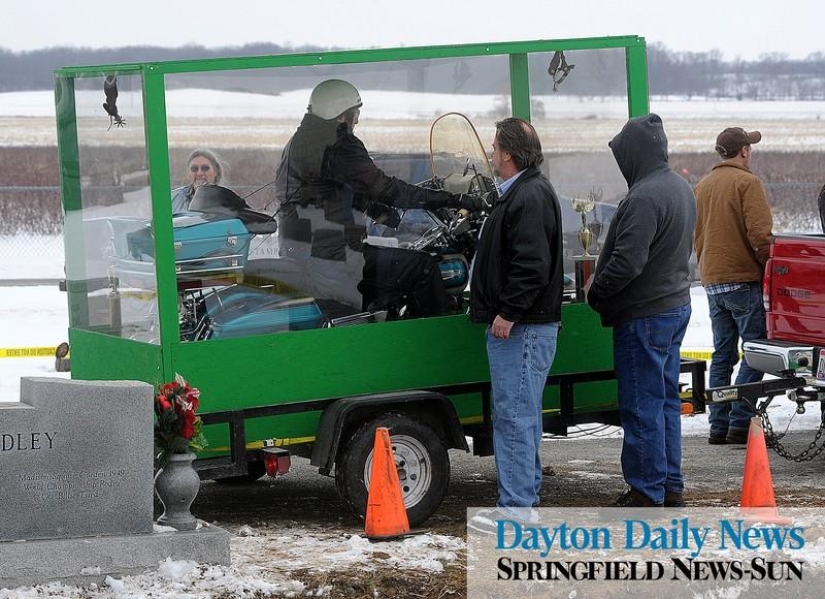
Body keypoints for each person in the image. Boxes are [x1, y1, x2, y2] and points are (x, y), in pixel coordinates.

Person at [272, 79, 479, 311]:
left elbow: (325, 190)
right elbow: (387, 189)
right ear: (340, 115)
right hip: (334, 257)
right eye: (355, 113)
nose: (357, 120)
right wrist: (450, 198)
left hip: (305, 252)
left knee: (398, 273)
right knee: (423, 266)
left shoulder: (299, 142)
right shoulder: (340, 144)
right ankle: (437, 333)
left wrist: (376, 210)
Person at [586, 113, 695, 508]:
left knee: (642, 405)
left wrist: (596, 292)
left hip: (644, 316)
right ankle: (670, 485)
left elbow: (628, 263)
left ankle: (646, 492)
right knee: (665, 402)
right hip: (674, 306)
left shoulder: (644, 197)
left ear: (634, 154)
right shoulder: (680, 187)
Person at [468, 118, 563, 515]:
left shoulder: (528, 196)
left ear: (507, 153)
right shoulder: (524, 191)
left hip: (523, 328)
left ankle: (517, 509)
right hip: (525, 326)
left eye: (495, 148)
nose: (491, 154)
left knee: (514, 418)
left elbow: (532, 265)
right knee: (521, 416)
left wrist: (508, 312)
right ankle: (523, 498)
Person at [694, 127, 773, 445]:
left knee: (723, 354)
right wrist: (770, 267)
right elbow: (761, 235)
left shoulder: (702, 186)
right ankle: (740, 422)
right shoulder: (747, 183)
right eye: (749, 147)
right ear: (743, 151)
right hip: (742, 279)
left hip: (712, 280)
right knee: (756, 350)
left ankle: (718, 425)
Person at [171, 149, 223, 214]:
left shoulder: (229, 202)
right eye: (194, 168)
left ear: (216, 172)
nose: (199, 173)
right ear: (188, 173)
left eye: (205, 168)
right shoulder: (172, 200)